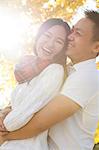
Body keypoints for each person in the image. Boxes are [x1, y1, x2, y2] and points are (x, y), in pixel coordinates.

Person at [0, 10, 99, 150]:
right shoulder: (68, 70)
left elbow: (40, 123)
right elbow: (30, 100)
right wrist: (5, 111)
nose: (70, 37)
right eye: (72, 31)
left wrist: (4, 137)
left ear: (96, 47)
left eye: (78, 33)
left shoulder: (87, 77)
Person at [0, 18, 70, 149]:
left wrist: (4, 123)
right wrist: (4, 113)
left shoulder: (55, 71)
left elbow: (17, 120)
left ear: (63, 48)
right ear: (39, 36)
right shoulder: (30, 71)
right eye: (47, 35)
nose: (50, 44)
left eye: (59, 41)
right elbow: (15, 106)